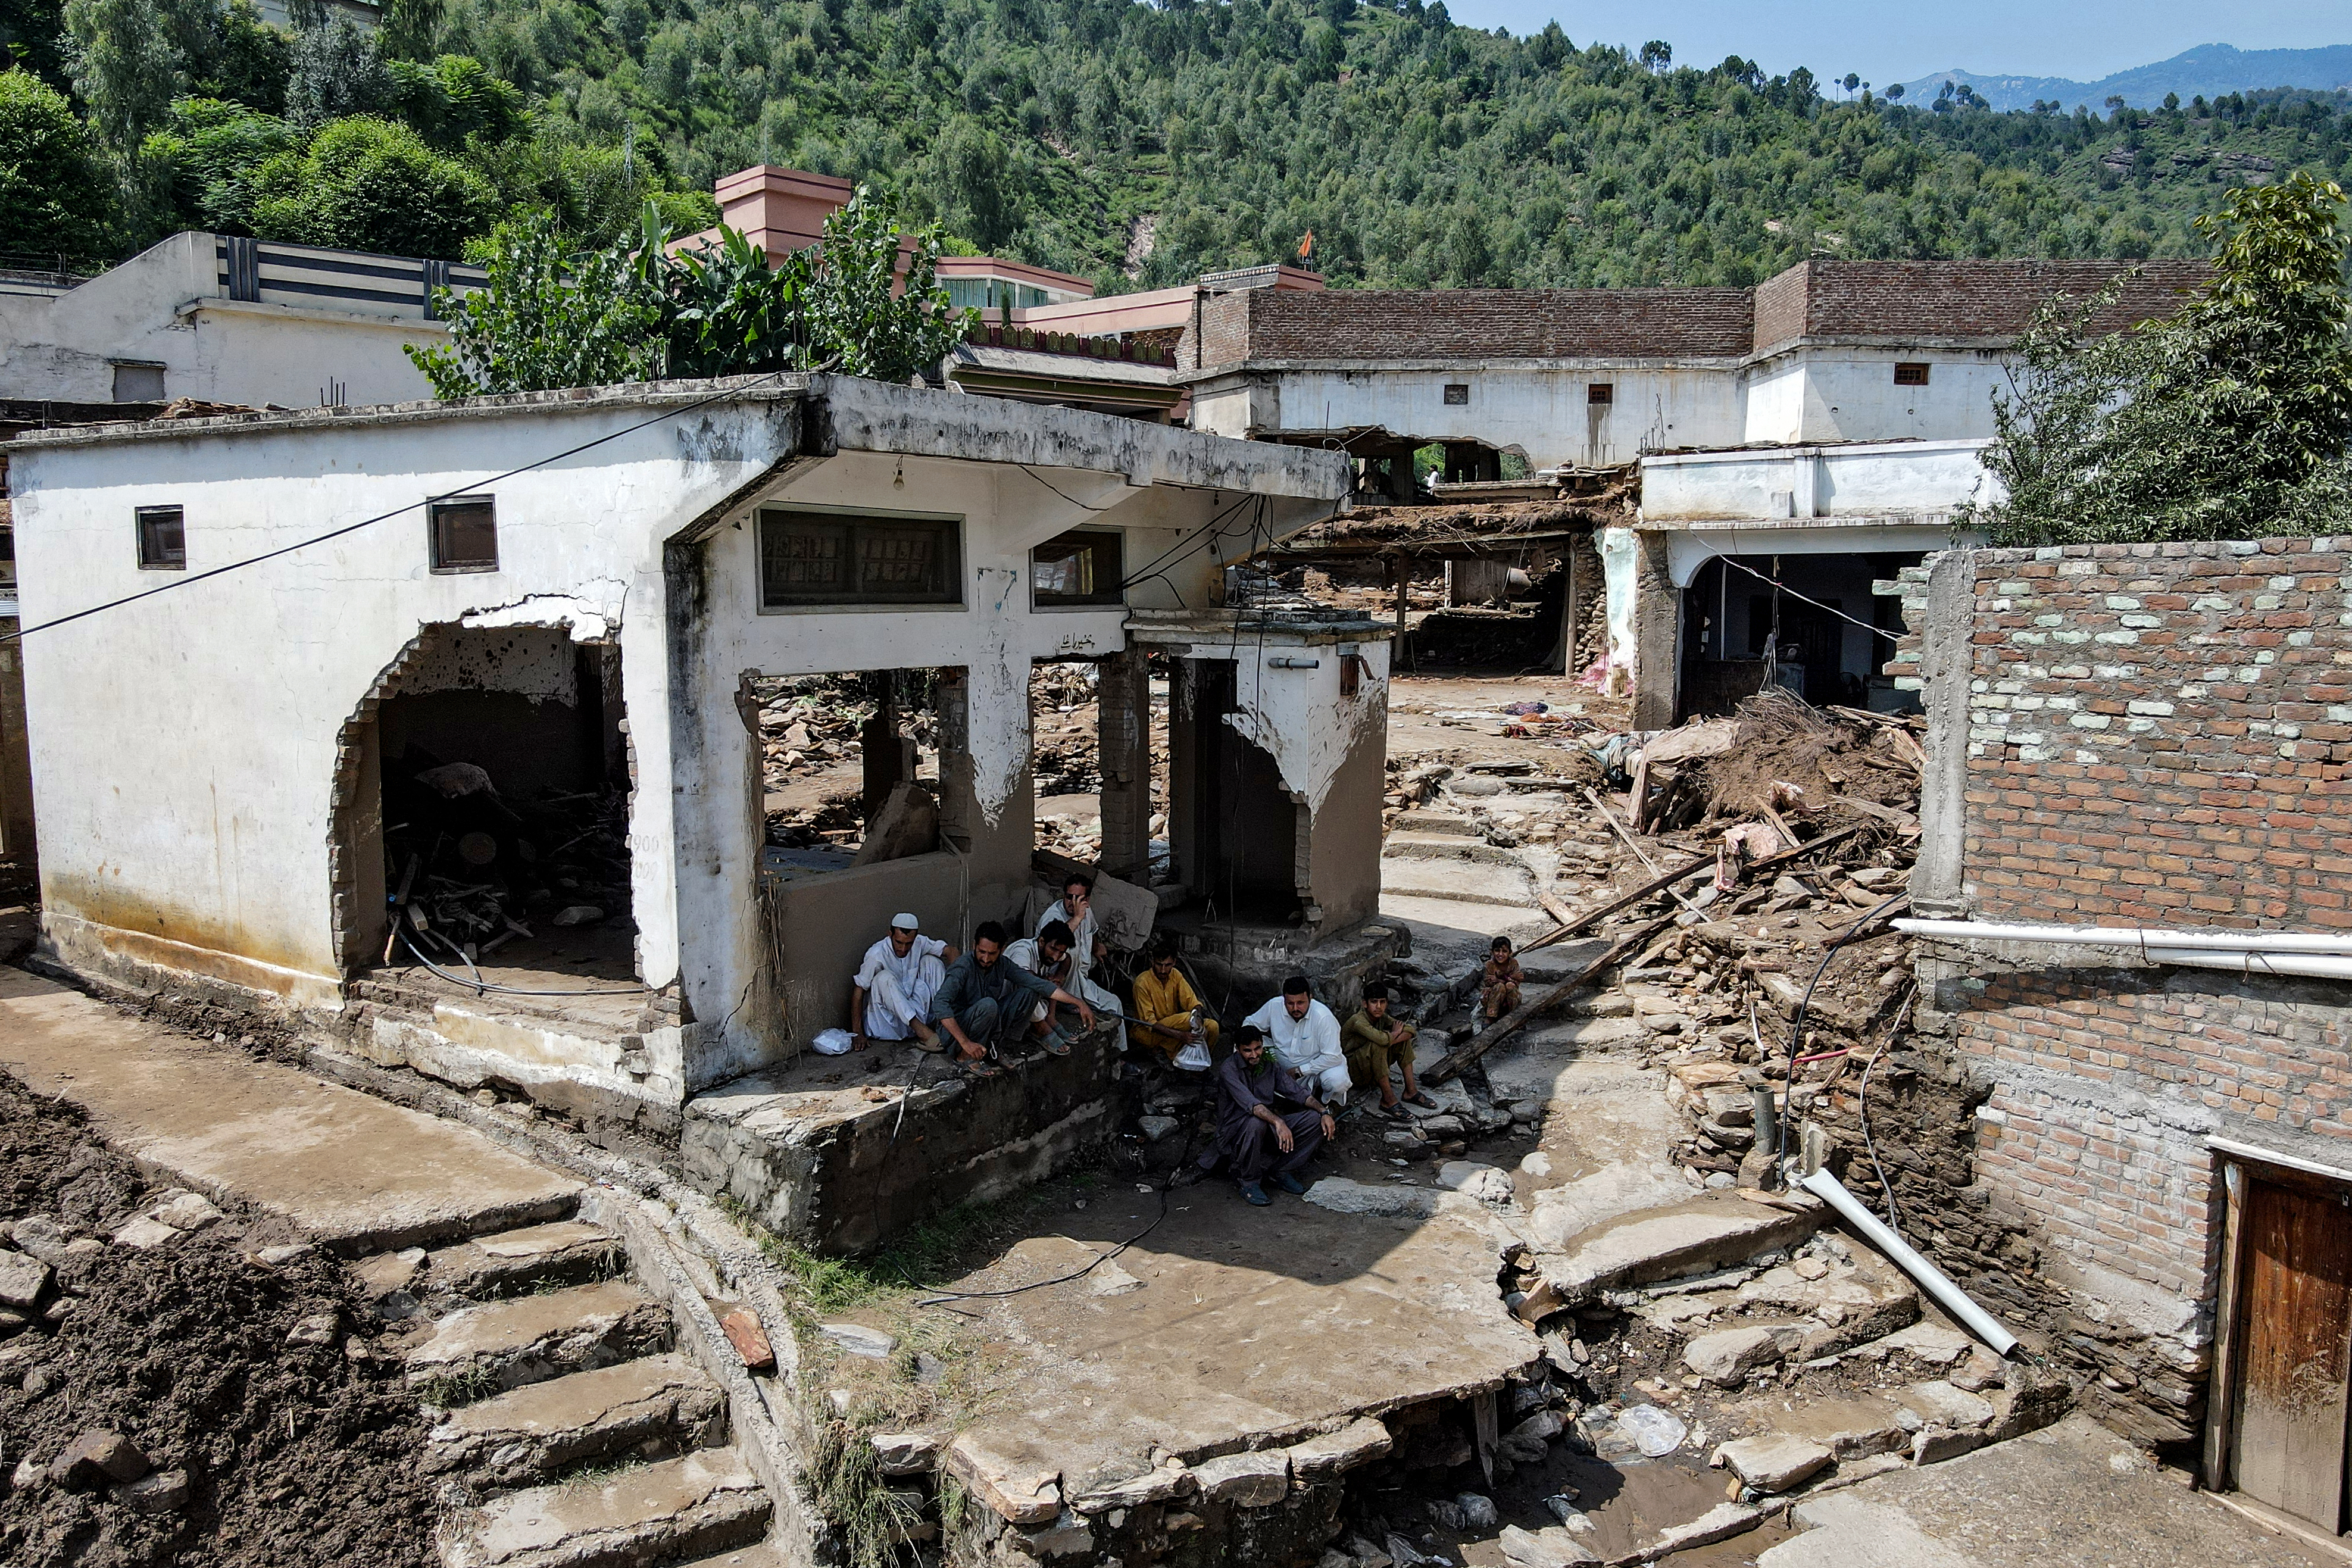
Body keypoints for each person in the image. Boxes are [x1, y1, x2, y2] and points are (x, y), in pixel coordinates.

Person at [927, 922, 1095, 1076]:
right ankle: (965, 1056)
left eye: (992, 954)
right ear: (974, 946)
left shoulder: (1003, 964)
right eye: (982, 952)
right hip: (957, 1032)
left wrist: (1078, 1003)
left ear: (1001, 950)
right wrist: (965, 1043)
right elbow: (941, 1005)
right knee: (989, 1005)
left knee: (1030, 992)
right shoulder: (962, 967)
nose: (986, 959)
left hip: (987, 1022)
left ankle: (994, 1046)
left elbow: (1038, 984)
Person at [1200, 1024, 1332, 1206]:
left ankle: (1280, 1171)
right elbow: (1253, 1106)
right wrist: (1279, 1123)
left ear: (1263, 1045)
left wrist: (1323, 1111)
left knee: (1315, 1121)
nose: (1254, 1055)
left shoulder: (1270, 1064)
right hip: (1236, 1133)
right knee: (1256, 1122)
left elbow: (1297, 1092)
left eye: (1258, 1049)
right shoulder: (1228, 1070)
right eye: (1248, 1051)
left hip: (1267, 1127)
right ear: (1238, 1050)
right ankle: (1249, 1183)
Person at [849, 913, 955, 1051]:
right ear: (890, 934)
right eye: (899, 942)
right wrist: (858, 1033)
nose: (904, 949)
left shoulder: (919, 943)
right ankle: (925, 1034)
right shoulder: (876, 955)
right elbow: (858, 991)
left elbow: (952, 951)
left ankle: (948, 1023)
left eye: (909, 943)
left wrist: (956, 981)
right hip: (886, 1026)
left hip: (914, 1018)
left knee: (932, 962)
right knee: (884, 978)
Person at [1242, 975, 1350, 1107]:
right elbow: (1249, 1024)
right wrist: (1255, 1047)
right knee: (1246, 1044)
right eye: (1290, 1003)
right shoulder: (1274, 1006)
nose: (1295, 1009)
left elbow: (1333, 1057)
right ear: (1284, 999)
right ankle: (1251, 1086)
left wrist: (1300, 1071)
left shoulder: (1323, 1017)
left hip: (1315, 1066)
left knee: (1337, 1081)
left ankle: (1325, 1102)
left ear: (1310, 997)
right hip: (1282, 1063)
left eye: (1301, 1003)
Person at [1002, 920, 1092, 1055]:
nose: (1056, 957)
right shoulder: (1022, 950)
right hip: (1006, 1005)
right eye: (1054, 949)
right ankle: (1039, 1027)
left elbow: (1067, 959)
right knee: (1032, 988)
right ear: (1042, 941)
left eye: (1060, 952)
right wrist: (1076, 1002)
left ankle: (1050, 1017)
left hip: (1026, 1006)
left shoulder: (1052, 953)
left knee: (1052, 982)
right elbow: (1025, 979)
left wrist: (1059, 976)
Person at [1034, 873, 1119, 1013]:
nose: (1072, 902)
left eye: (1078, 898)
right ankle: (1068, 1003)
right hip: (1056, 980)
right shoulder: (1053, 916)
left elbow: (1093, 930)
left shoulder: (1086, 910)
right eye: (1069, 897)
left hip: (1081, 981)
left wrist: (1096, 948)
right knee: (1070, 952)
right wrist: (1078, 917)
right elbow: (1059, 940)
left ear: (1087, 899)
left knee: (1115, 1004)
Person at [1343, 983, 1432, 1113]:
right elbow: (1382, 1040)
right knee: (1378, 1045)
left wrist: (1393, 1038)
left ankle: (1411, 1091)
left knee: (1402, 1041)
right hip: (1354, 1072)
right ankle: (1388, 1100)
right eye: (1374, 1002)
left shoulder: (1381, 1017)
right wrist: (1395, 1033)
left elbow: (1410, 1030)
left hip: (1370, 1067)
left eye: (1382, 1002)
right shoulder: (1358, 1021)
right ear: (1365, 1004)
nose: (1378, 1007)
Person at [1128, 938, 1217, 1063]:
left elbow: (1193, 1003)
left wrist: (1199, 1019)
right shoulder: (1142, 983)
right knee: (1187, 1019)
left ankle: (1200, 1063)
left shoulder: (1176, 975)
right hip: (1147, 1032)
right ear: (1152, 962)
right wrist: (1181, 1035)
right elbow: (1150, 1023)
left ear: (1174, 962)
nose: (1163, 970)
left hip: (1174, 1025)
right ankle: (1178, 1058)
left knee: (1213, 1027)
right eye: (1159, 964)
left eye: (1168, 965)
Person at [1478, 936, 1525, 1033]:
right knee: (1500, 987)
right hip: (1493, 998)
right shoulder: (1490, 965)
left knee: (1510, 986)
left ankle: (1515, 1017)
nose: (1500, 954)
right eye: (1497, 951)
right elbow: (1489, 982)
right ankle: (1490, 1017)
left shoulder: (1513, 963)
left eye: (1504, 951)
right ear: (1492, 952)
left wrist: (1501, 979)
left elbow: (1517, 980)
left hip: (1509, 998)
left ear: (1510, 953)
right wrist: (1508, 978)